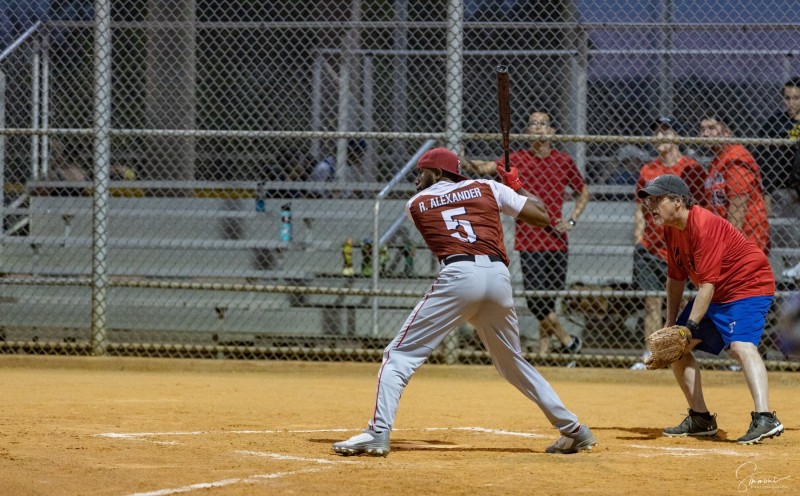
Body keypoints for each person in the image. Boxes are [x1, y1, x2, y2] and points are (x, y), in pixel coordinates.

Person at [332, 148, 597, 457]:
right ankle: (573, 429)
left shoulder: (414, 205)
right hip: (498, 277)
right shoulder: (488, 187)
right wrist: (516, 185)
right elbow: (542, 217)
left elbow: (447, 209)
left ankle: (378, 432)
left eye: (422, 172)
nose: (418, 179)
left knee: (398, 355)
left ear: (438, 173)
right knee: (512, 363)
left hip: (458, 275)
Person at [637, 174, 783, 445]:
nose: (651, 205)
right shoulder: (671, 228)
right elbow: (676, 277)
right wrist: (672, 323)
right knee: (676, 349)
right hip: (717, 292)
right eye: (649, 201)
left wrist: (688, 327)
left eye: (657, 199)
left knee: (740, 347)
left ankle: (765, 418)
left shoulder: (703, 226)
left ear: (678, 201)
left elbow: (707, 285)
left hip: (748, 286)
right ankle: (701, 418)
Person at [463, 111, 589, 356]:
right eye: (534, 124)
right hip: (530, 240)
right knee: (536, 301)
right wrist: (465, 162)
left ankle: (544, 352)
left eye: (544, 124)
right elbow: (487, 167)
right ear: (527, 131)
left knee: (549, 300)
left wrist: (571, 220)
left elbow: (583, 191)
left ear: (552, 132)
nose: (539, 128)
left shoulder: (563, 161)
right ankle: (567, 341)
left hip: (557, 240)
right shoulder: (516, 159)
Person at [630, 117, 706, 370]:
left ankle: (677, 351)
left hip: (677, 248)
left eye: (666, 130)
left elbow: (697, 208)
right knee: (651, 301)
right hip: (651, 246)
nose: (660, 136)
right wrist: (639, 238)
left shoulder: (690, 168)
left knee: (682, 303)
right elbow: (641, 209)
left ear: (676, 136)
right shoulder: (648, 170)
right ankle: (652, 353)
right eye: (656, 132)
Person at [699, 115, 770, 255]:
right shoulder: (718, 159)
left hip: (744, 241)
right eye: (702, 129)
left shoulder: (736, 157)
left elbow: (738, 207)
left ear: (727, 132)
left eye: (711, 128)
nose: (705, 133)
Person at [755, 77, 800, 218]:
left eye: (796, 98)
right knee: (775, 150)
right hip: (781, 173)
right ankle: (766, 199)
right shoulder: (777, 121)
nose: (791, 103)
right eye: (787, 98)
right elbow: (759, 147)